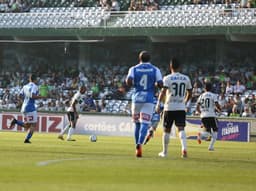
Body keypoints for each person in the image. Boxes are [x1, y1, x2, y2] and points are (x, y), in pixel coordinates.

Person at [126, 50, 163, 157]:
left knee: (136, 123)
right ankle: (139, 144)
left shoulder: (133, 68)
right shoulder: (155, 69)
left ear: (139, 59)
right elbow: (161, 84)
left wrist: (135, 83)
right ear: (149, 59)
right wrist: (155, 84)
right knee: (144, 124)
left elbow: (128, 82)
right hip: (148, 99)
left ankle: (136, 146)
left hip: (137, 98)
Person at [156, 58, 192, 158]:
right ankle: (184, 148)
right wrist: (185, 102)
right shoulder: (186, 78)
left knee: (166, 130)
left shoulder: (167, 78)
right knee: (181, 129)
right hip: (181, 107)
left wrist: (158, 104)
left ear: (170, 67)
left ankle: (165, 152)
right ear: (180, 67)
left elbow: (163, 92)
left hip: (169, 107)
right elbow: (190, 93)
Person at [9, 74, 48, 143]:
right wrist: (41, 97)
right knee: (33, 124)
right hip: (30, 107)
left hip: (24, 107)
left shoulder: (25, 86)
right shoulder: (35, 86)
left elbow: (19, 95)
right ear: (35, 80)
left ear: (29, 79)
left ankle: (16, 121)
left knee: (27, 125)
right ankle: (27, 139)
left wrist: (22, 102)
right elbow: (33, 96)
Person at [196, 82, 221, 151]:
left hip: (203, 116)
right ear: (211, 88)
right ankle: (210, 146)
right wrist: (219, 110)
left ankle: (202, 135)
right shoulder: (213, 95)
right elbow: (216, 104)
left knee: (208, 132)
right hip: (211, 115)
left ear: (204, 88)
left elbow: (197, 108)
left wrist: (201, 113)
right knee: (215, 130)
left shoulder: (201, 96)